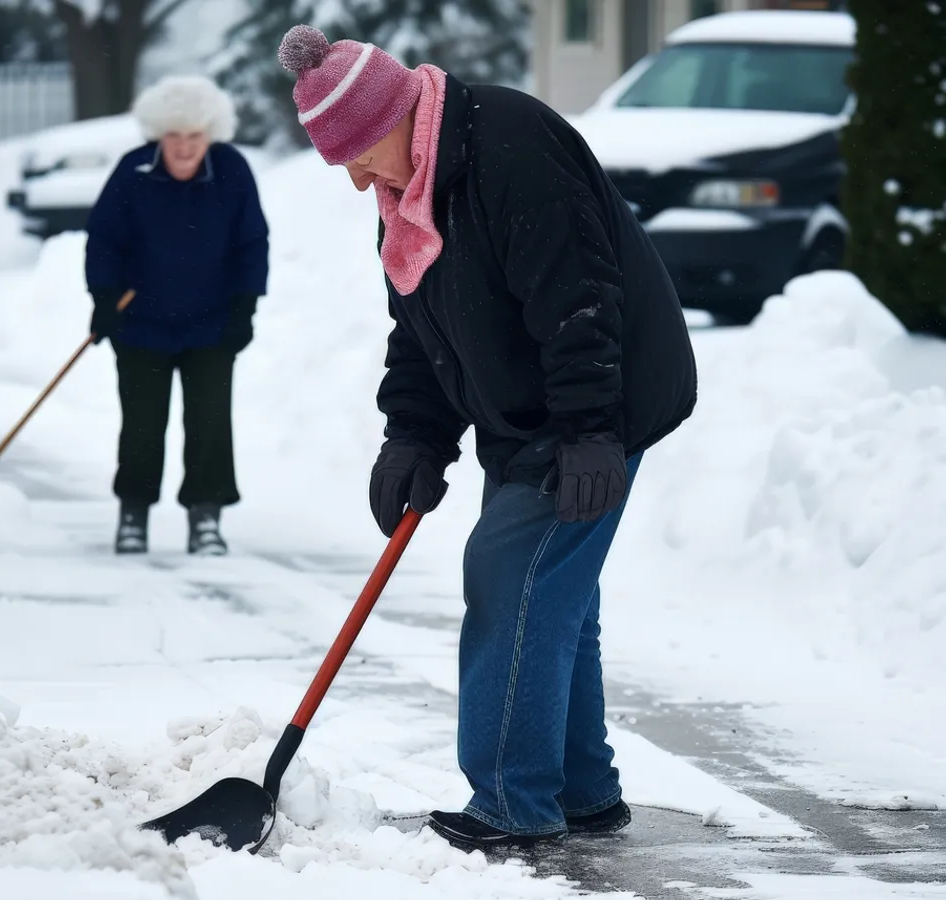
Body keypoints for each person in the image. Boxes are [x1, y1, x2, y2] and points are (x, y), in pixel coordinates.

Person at [276, 26, 697, 851]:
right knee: (554, 597)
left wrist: (588, 434)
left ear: (396, 118)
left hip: (597, 401)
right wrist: (415, 438)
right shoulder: (409, 199)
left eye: (360, 154)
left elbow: (579, 299)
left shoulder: (510, 148)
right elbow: (427, 330)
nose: (359, 179)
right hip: (529, 412)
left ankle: (513, 799)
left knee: (510, 576)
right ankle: (581, 792)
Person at [84, 74, 269, 556]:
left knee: (209, 421)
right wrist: (104, 300)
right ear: (157, 136)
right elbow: (104, 238)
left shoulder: (230, 170)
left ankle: (205, 516)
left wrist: (245, 308)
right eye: (174, 137)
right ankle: (133, 514)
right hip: (139, 322)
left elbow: (252, 243)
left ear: (211, 135)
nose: (185, 148)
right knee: (143, 422)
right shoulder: (133, 171)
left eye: (194, 137)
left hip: (211, 323)